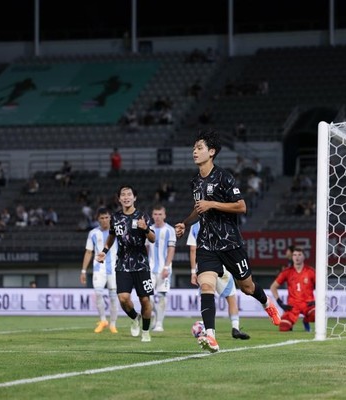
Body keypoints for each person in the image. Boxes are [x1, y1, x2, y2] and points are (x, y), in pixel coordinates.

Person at [174, 130, 280, 353]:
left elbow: (241, 206)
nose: (195, 151)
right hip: (207, 245)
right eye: (194, 148)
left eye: (199, 148)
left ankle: (267, 303)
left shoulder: (224, 176)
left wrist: (212, 204)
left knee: (247, 287)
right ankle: (211, 336)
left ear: (211, 152)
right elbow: (198, 210)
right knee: (206, 286)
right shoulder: (195, 182)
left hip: (230, 243)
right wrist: (186, 223)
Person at [96, 185, 155, 342]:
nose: (126, 197)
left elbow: (153, 238)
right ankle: (135, 317)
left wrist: (146, 229)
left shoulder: (143, 216)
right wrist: (104, 251)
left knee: (145, 300)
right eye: (123, 195)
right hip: (122, 264)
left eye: (129, 194)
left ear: (134, 198)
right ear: (119, 198)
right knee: (123, 298)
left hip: (141, 265)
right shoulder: (115, 218)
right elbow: (111, 237)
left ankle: (146, 331)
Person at [187, 221, 250, 340]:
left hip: (205, 267)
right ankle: (235, 327)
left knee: (207, 297)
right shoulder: (221, 222)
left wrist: (193, 271)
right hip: (222, 266)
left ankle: (208, 329)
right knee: (231, 299)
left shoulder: (195, 227)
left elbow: (193, 250)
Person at [81, 207, 119, 334]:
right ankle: (103, 320)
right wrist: (83, 271)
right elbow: (88, 252)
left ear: (110, 218)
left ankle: (113, 324)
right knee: (98, 294)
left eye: (107, 217)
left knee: (113, 297)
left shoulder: (117, 232)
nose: (104, 220)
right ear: (97, 219)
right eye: (102, 218)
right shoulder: (93, 233)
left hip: (114, 269)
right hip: (99, 269)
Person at [270, 247, 316, 332]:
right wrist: (280, 303)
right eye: (294, 255)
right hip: (293, 305)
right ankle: (289, 325)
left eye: (299, 255)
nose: (297, 257)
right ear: (292, 257)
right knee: (283, 327)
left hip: (308, 304)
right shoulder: (287, 272)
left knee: (316, 314)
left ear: (304, 257)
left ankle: (306, 321)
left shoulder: (311, 271)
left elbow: (320, 286)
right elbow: (273, 287)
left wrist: (316, 301)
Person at [146, 204, 176, 332]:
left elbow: (171, 249)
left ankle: (159, 323)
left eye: (160, 214)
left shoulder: (169, 230)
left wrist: (166, 267)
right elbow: (146, 249)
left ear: (164, 215)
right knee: (148, 297)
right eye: (155, 214)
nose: (157, 217)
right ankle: (155, 318)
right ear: (152, 215)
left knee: (162, 296)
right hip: (150, 268)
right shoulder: (148, 229)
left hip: (164, 268)